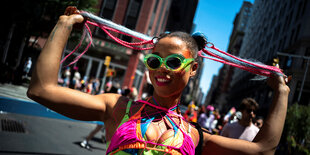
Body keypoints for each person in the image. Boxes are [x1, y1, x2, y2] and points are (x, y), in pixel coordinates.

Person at [27, 6, 290, 154]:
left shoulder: (196, 136)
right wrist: (63, 25)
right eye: (154, 61)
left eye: (174, 62)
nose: (161, 69)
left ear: (194, 69)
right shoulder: (118, 108)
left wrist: (282, 92)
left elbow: (264, 149)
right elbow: (42, 90)